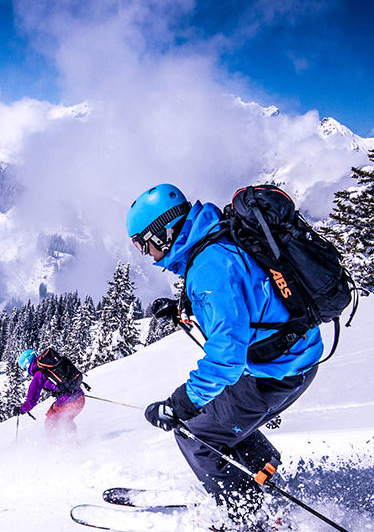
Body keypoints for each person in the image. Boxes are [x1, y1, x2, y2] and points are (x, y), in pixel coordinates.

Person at [127, 183, 322, 531]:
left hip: (274, 373)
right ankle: (267, 477)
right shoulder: (218, 237)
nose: (148, 255)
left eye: (144, 244)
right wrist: (187, 306)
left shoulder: (209, 267)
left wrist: (180, 404)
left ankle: (247, 517)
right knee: (219, 417)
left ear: (165, 233)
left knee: (192, 432)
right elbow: (248, 294)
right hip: (293, 358)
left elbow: (227, 357)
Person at [15, 349, 87, 435]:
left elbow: (32, 398)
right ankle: (74, 443)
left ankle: (54, 446)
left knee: (51, 422)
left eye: (24, 368)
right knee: (66, 421)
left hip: (68, 403)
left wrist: (22, 409)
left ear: (27, 364)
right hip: (80, 398)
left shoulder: (39, 374)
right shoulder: (52, 365)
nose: (25, 370)